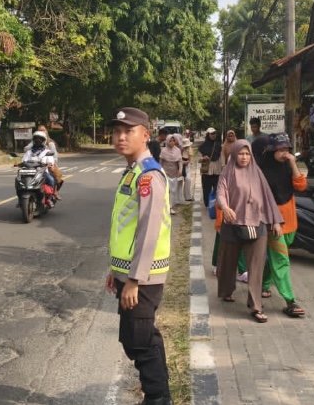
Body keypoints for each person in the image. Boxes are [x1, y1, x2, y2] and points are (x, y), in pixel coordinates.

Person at [104, 107, 172, 405]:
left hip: (142, 278)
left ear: (145, 135)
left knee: (141, 343)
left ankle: (158, 398)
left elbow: (148, 231)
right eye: (117, 131)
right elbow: (125, 229)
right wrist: (115, 270)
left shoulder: (148, 175)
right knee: (136, 339)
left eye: (128, 131)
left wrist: (133, 280)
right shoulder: (132, 172)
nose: (120, 137)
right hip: (129, 273)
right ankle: (160, 395)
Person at [215, 139, 284, 324]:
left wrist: (275, 221)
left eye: (247, 154)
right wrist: (225, 207)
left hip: (257, 224)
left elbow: (268, 197)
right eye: (241, 153)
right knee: (227, 261)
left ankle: (255, 306)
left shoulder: (257, 173)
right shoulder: (228, 171)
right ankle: (226, 290)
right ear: (234, 154)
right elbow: (221, 192)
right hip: (233, 225)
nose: (244, 157)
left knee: (256, 267)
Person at [255, 132, 307, 318]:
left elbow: (301, 186)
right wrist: (272, 221)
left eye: (287, 149)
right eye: (280, 150)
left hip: (290, 221)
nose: (284, 153)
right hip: (273, 223)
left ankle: (264, 285)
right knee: (282, 259)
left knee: (275, 257)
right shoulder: (262, 171)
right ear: (271, 150)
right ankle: (290, 301)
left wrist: (293, 163)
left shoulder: (288, 166)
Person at [15, 131, 57, 206]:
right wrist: (19, 163)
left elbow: (51, 162)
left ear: (43, 141)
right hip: (29, 172)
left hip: (42, 172)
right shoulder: (29, 152)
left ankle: (49, 198)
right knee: (18, 180)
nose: (38, 141)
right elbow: (24, 161)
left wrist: (49, 164)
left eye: (40, 139)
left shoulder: (47, 152)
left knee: (51, 179)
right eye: (36, 139)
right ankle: (20, 199)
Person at [198, 128, 222, 207]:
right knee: (206, 189)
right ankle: (207, 205)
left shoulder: (218, 146)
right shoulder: (202, 146)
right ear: (208, 135)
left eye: (214, 133)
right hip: (207, 171)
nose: (213, 135)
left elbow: (221, 158)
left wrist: (222, 168)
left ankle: (216, 204)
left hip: (217, 171)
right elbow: (199, 159)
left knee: (217, 189)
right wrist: (203, 158)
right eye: (211, 134)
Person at [160, 134, 183, 214]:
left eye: (173, 141)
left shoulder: (177, 150)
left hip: (174, 173)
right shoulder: (164, 151)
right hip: (165, 173)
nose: (172, 142)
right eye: (170, 141)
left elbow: (180, 161)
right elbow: (161, 162)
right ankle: (165, 207)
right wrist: (161, 171)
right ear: (167, 141)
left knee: (173, 190)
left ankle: (171, 206)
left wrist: (180, 170)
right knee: (166, 190)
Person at [181, 136, 194, 202]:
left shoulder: (189, 149)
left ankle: (187, 196)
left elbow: (190, 159)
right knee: (184, 181)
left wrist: (188, 162)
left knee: (187, 181)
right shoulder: (182, 150)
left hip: (186, 165)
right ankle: (185, 196)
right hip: (182, 165)